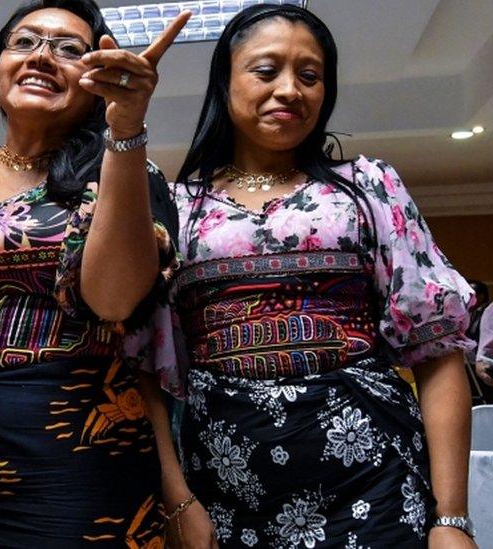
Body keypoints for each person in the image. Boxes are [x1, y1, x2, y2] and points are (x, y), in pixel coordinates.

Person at [139, 4, 478, 548]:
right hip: (228, 486)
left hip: (375, 477)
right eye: (266, 70)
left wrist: (452, 519)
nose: (290, 89)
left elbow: (436, 350)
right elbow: (146, 365)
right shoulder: (177, 208)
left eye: (310, 75)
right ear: (224, 82)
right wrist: (177, 498)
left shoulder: (368, 188)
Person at [0, 0, 188, 545]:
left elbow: (116, 303)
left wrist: (125, 127)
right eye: (24, 42)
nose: (42, 57)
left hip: (82, 462)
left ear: (96, 76)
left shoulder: (123, 172)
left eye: (69, 49)